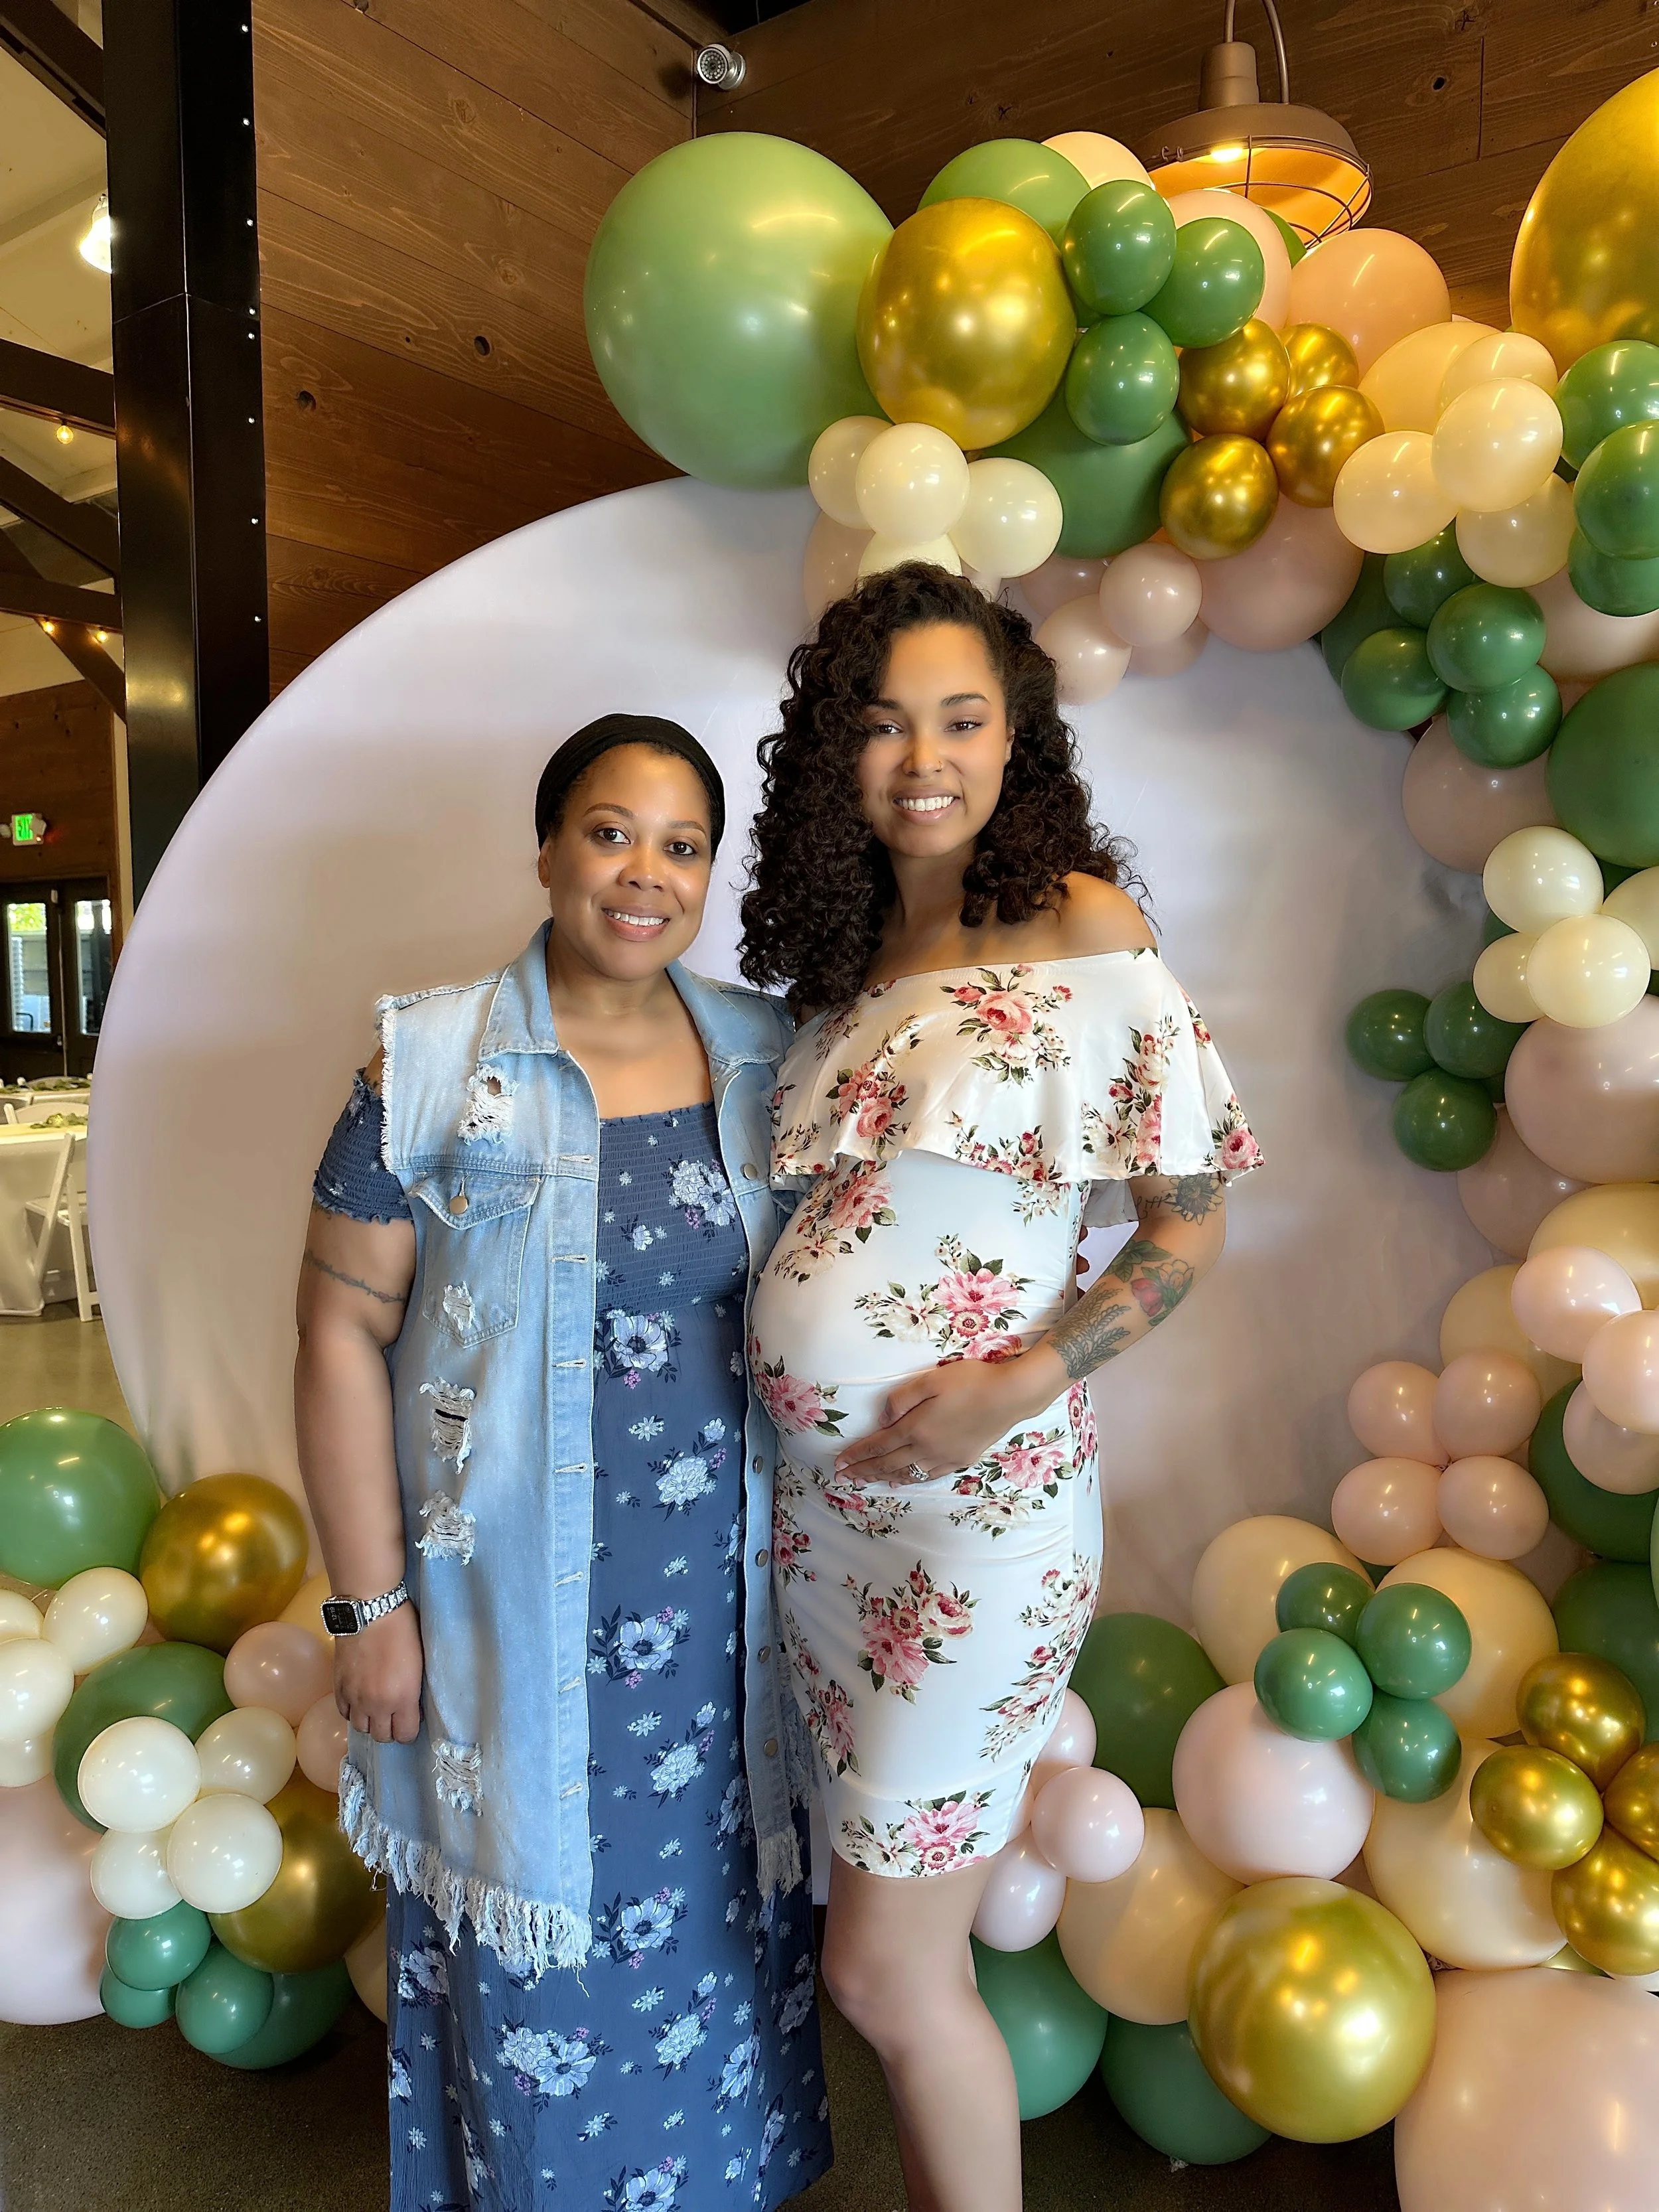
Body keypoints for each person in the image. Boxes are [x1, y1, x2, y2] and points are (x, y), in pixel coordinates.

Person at [739, 565, 1260, 2212]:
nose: (921, 758)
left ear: (1015, 739)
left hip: (978, 1523)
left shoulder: (1083, 927)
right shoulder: (838, 964)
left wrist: (1021, 1379)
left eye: (960, 719)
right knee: (879, 1956)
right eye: (882, 723)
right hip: (820, 1539)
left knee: (887, 1975)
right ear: (835, 750)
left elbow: (1186, 1231)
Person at [294, 715, 831, 2212]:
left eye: (680, 844)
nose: (643, 873)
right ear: (546, 849)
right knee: (540, 1964)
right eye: (609, 831)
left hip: (722, 1630)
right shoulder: (430, 1061)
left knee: (721, 1950)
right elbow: (339, 1329)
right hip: (503, 1625)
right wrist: (369, 1606)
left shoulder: (766, 1055)